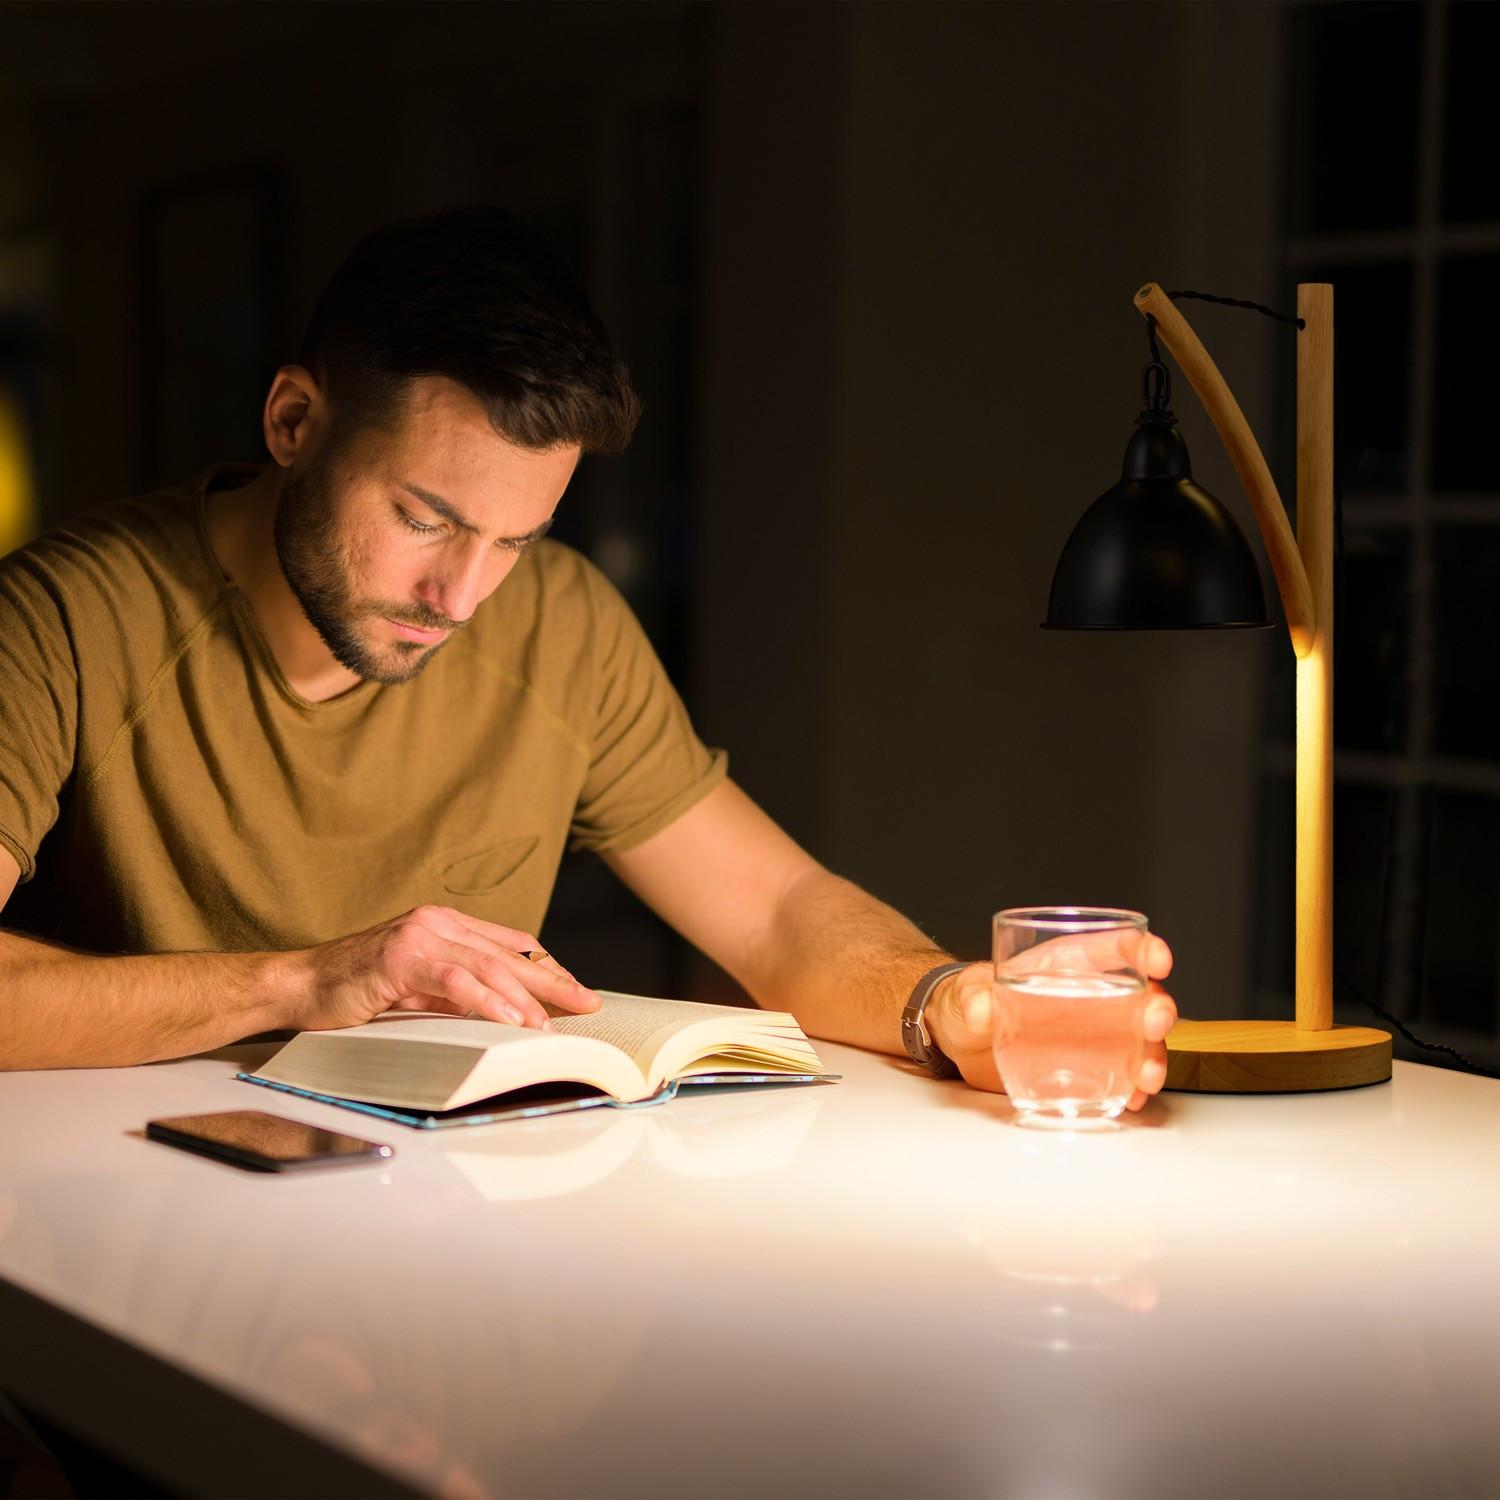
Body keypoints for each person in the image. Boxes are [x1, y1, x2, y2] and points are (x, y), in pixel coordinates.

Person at [0, 206, 1176, 1100]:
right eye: (424, 518)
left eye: (516, 538)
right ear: (294, 422)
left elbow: (773, 912)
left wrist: (948, 1003)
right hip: (119, 1232)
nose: (460, 595)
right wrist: (307, 981)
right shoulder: (64, 619)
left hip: (442, 1234)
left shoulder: (558, 621)